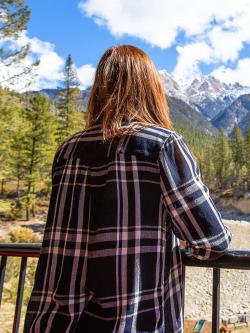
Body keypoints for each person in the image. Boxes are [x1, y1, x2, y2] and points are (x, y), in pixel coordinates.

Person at [23, 44, 232, 333]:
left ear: (99, 91)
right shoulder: (163, 145)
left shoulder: (68, 150)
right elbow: (211, 242)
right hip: (133, 322)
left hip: (55, 323)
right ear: (151, 91)